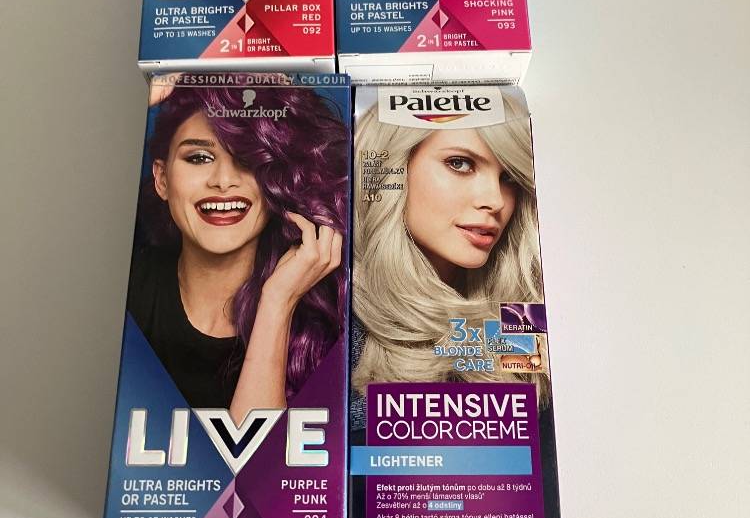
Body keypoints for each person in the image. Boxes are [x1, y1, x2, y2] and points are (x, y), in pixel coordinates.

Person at [127, 80, 347, 423]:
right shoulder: (124, 291)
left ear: (277, 181)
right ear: (162, 179)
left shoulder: (332, 323)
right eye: (199, 158)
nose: (223, 180)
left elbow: (257, 457)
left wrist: (277, 303)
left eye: (247, 160)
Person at [350, 87, 545, 424]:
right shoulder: (335, 321)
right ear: (391, 168)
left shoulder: (523, 311)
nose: (495, 200)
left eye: (509, 177)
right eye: (460, 163)